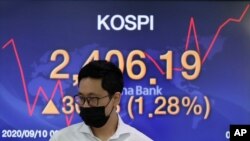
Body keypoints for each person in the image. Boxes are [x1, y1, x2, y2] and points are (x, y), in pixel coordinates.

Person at [50, 60, 153, 141]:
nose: (85, 105)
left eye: (93, 99)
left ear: (115, 99)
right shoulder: (61, 138)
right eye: (81, 98)